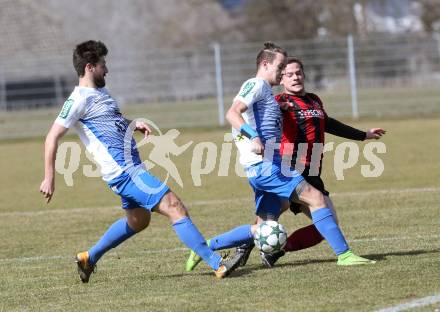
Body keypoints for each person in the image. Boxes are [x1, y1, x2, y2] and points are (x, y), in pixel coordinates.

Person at [39, 40, 242, 282]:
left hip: (129, 169)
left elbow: (110, 121)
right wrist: (49, 177)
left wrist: (132, 124)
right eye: (103, 64)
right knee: (175, 207)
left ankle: (88, 258)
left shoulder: (100, 93)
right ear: (90, 67)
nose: (107, 69)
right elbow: (52, 137)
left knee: (138, 221)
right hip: (125, 173)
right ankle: (217, 263)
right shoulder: (78, 100)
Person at [185, 42, 375, 272]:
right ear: (265, 64)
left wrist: (280, 109)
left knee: (263, 227)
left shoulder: (268, 92)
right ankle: (344, 255)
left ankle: (205, 247)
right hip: (266, 165)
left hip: (264, 166)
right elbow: (232, 113)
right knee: (316, 198)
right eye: (281, 66)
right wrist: (253, 137)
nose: (284, 71)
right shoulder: (255, 84)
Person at [238, 57, 386, 268]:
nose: (295, 77)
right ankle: (247, 247)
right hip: (291, 167)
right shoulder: (278, 102)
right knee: (322, 220)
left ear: (304, 74)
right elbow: (260, 118)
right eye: (289, 74)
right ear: (281, 78)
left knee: (273, 221)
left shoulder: (314, 100)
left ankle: (266, 247)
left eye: (298, 72)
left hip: (312, 168)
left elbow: (328, 123)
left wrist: (364, 135)